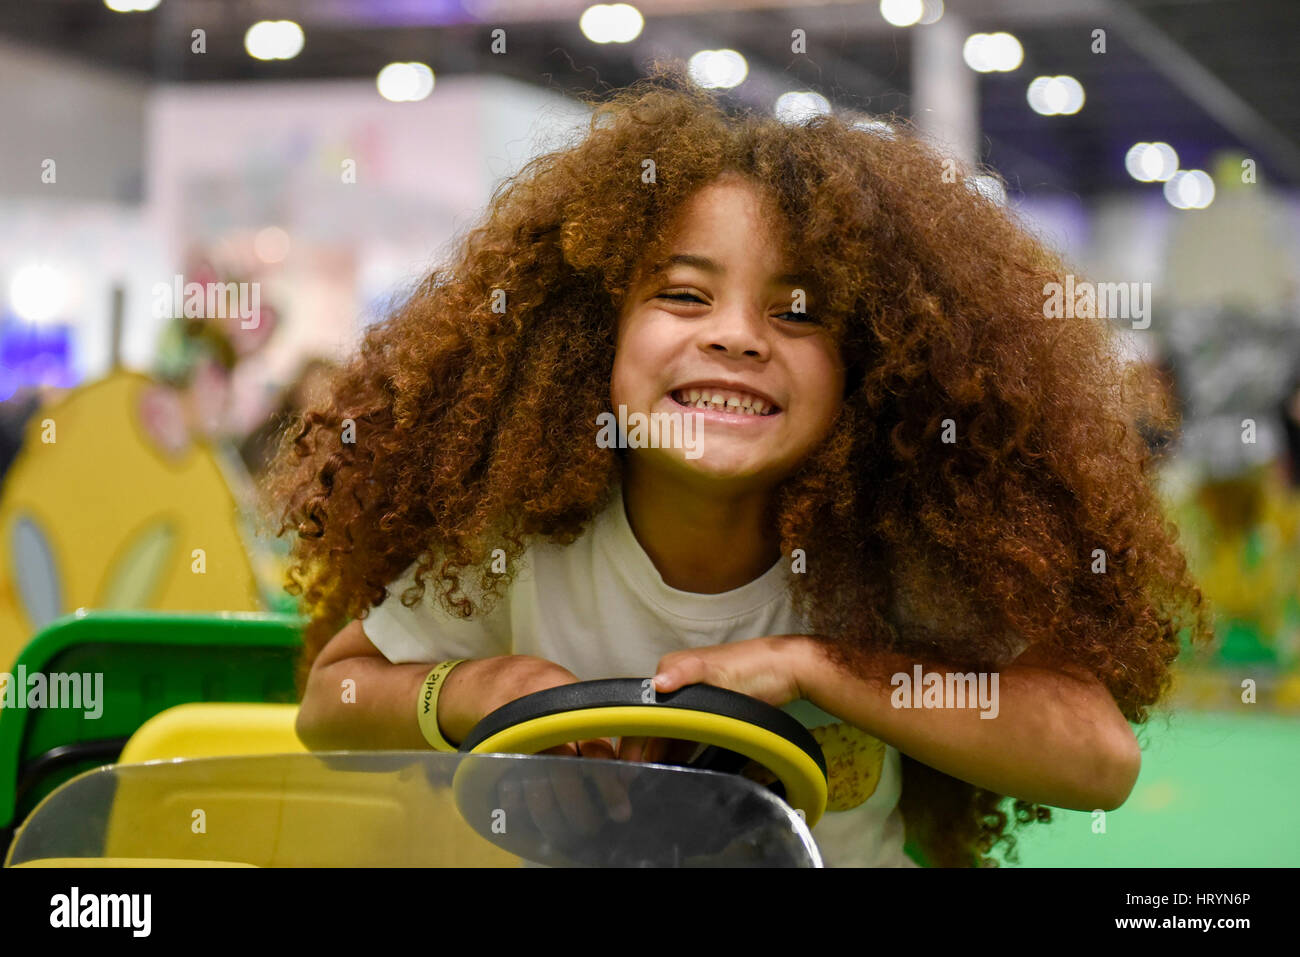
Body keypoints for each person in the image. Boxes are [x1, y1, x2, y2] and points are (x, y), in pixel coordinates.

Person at [262, 64, 1213, 867]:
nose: (735, 337)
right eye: (683, 294)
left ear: (871, 370)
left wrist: (817, 668)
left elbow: (1097, 755)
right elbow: (331, 701)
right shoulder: (519, 544)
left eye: (799, 312)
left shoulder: (894, 557)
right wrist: (472, 690)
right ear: (592, 334)